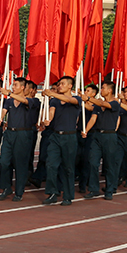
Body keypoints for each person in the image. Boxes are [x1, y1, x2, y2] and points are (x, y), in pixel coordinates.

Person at [0, 77, 40, 201]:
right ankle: (6, 187)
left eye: (15, 85)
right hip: (9, 133)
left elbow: (24, 101)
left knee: (20, 164)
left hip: (23, 134)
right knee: (4, 161)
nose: (13, 87)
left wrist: (9, 94)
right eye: (12, 85)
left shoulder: (33, 101)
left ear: (22, 87)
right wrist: (0, 118)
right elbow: (4, 111)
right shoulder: (9, 101)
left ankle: (19, 191)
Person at [41, 76, 81, 205]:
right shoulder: (54, 101)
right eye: (58, 84)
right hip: (55, 136)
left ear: (70, 86)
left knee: (68, 167)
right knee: (51, 164)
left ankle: (68, 195)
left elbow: (69, 100)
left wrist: (52, 93)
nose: (60, 86)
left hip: (69, 137)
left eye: (62, 84)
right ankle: (53, 192)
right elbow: (51, 112)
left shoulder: (77, 99)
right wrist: (47, 119)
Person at [85, 81, 119, 199]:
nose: (101, 90)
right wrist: (86, 130)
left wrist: (89, 98)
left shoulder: (115, 103)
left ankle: (109, 189)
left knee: (109, 164)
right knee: (93, 162)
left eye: (103, 88)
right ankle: (93, 189)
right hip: (97, 135)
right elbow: (93, 119)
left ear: (110, 90)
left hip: (109, 136)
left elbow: (106, 105)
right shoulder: (98, 106)